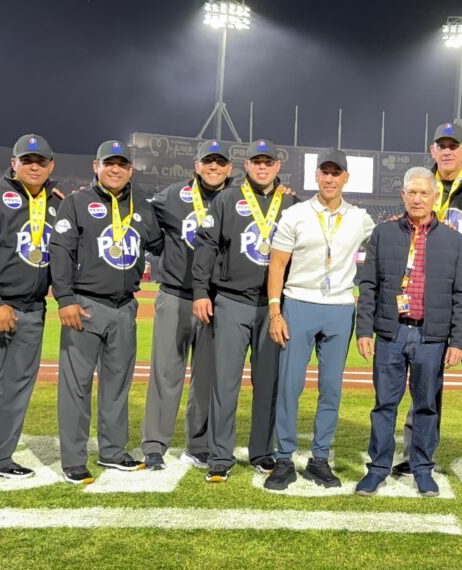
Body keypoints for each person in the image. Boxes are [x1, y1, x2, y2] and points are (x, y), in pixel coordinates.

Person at [50, 140, 163, 484]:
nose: (115, 169)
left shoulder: (142, 207)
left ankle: (113, 452)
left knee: (117, 386)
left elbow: (161, 244)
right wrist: (65, 298)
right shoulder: (76, 202)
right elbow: (60, 251)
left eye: (122, 164)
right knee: (77, 386)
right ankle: (73, 458)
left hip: (126, 305)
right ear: (96, 166)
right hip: (85, 304)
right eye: (109, 163)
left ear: (131, 170)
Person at [354, 167, 462, 497]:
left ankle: (422, 469)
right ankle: (377, 468)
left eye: (424, 193)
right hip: (391, 333)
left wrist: (458, 340)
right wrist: (365, 329)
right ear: (403, 195)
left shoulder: (452, 239)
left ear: (435, 197)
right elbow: (369, 285)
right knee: (384, 405)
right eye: (412, 193)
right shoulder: (383, 233)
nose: (418, 199)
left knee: (426, 407)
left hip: (431, 338)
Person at [263, 148, 376, 490]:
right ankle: (284, 458)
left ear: (346, 178)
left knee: (331, 389)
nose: (329, 178)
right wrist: (275, 311)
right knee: (290, 386)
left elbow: (391, 240)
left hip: (341, 308)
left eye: (336, 172)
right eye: (324, 172)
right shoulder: (296, 214)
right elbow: (278, 265)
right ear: (316, 176)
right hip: (299, 303)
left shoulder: (360, 218)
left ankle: (320, 459)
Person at [0, 134, 63, 492]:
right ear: (14, 162)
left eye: (41, 161)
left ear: (51, 165)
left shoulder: (55, 203)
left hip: (34, 309)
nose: (34, 166)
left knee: (17, 389)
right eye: (27, 160)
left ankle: (1, 457)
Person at [191, 139, 299, 482]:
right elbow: (206, 245)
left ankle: (261, 452)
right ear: (247, 166)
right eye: (256, 162)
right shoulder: (227, 198)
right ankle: (220, 456)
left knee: (268, 382)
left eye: (268, 162)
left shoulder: (293, 204)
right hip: (232, 300)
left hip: (273, 307)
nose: (263, 167)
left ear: (277, 166)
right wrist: (200, 291)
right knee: (225, 381)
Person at [392, 121, 462, 482]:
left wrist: (452, 272)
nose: (447, 151)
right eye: (441, 146)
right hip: (429, 299)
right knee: (423, 377)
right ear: (433, 151)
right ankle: (416, 454)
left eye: (454, 145)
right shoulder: (420, 186)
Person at [141, 140, 232, 471]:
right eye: (208, 161)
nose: (213, 167)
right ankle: (154, 445)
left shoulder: (238, 199)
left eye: (220, 162)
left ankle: (199, 445)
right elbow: (145, 221)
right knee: (165, 373)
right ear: (196, 165)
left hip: (216, 299)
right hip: (176, 294)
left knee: (206, 378)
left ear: (229, 168)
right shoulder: (170, 196)